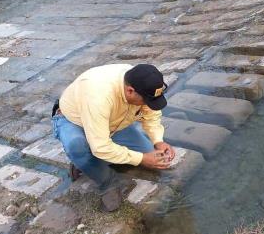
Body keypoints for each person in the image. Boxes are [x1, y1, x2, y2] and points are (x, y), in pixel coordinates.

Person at [52, 63, 176, 211]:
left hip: (112, 124)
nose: (148, 105)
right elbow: (101, 147)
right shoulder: (98, 95)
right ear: (130, 91)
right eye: (146, 101)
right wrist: (141, 158)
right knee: (78, 146)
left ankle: (92, 160)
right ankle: (104, 181)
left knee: (148, 151)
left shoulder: (142, 84)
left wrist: (158, 141)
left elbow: (151, 116)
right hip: (74, 121)